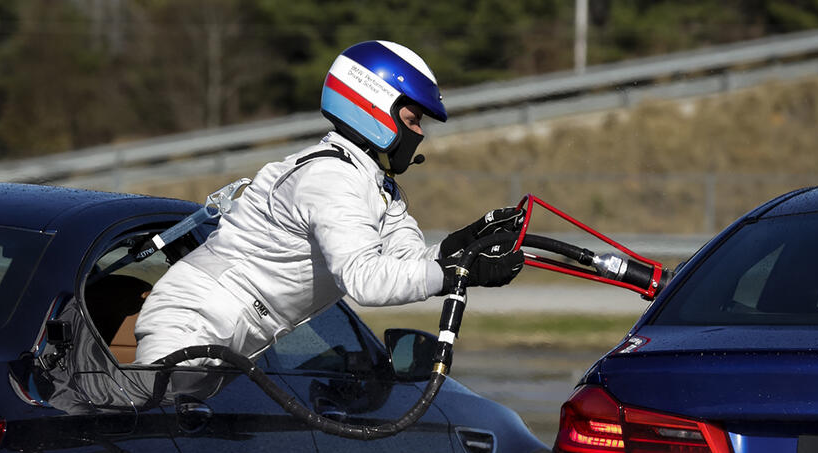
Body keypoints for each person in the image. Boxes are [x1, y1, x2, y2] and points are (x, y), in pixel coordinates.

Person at [133, 40, 525, 366]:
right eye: (413, 119)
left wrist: (464, 245)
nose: (420, 133)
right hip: (191, 321)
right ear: (375, 107)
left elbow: (405, 262)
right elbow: (365, 279)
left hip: (228, 333)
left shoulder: (374, 183)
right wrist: (459, 273)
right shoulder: (331, 178)